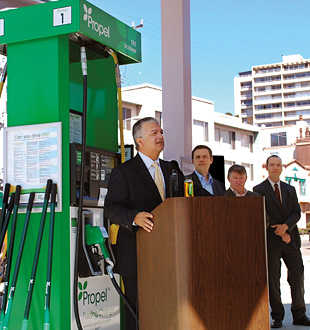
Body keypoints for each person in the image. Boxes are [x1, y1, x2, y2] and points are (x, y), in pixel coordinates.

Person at [104, 117, 184, 330]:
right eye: (154, 133)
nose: (160, 136)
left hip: (168, 256)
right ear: (139, 140)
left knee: (166, 311)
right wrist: (134, 217)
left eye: (161, 132)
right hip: (136, 255)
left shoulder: (172, 170)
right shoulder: (124, 171)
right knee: (138, 314)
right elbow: (111, 208)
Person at [253, 155, 310, 328]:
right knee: (273, 280)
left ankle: (299, 315)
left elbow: (296, 212)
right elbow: (262, 214)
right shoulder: (258, 189)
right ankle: (277, 316)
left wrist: (286, 227)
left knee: (297, 277)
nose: (275, 168)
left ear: (281, 168)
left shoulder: (290, 189)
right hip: (271, 242)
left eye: (278, 165)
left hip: (291, 241)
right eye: (272, 165)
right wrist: (279, 231)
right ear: (267, 167)